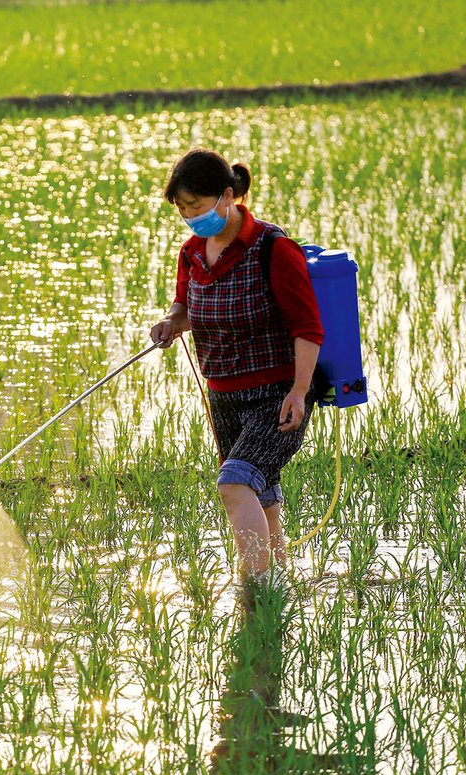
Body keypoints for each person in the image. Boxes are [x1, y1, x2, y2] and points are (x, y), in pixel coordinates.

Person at [149, 148, 324, 594]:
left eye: (197, 206)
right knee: (260, 494)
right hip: (223, 393)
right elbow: (186, 307)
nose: (190, 217)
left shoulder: (272, 247)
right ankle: (283, 586)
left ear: (227, 196)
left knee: (233, 484)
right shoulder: (192, 252)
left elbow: (307, 326)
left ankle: (255, 591)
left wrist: (300, 392)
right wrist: (172, 323)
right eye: (183, 210)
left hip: (275, 393)